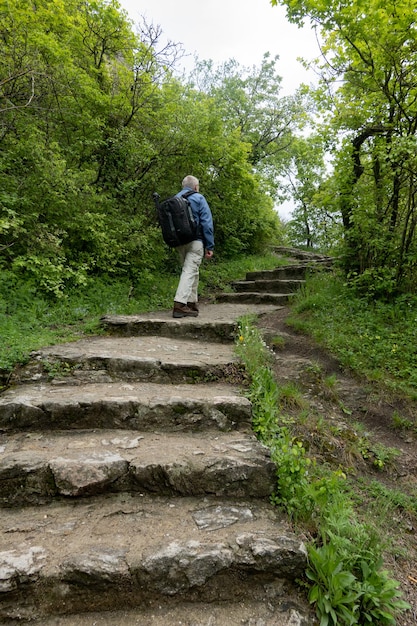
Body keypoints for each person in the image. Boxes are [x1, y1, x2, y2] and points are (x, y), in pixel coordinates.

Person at [173, 175, 214, 318]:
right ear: (195, 186)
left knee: (192, 270)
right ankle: (179, 304)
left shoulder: (175, 199)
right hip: (195, 241)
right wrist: (210, 246)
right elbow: (206, 223)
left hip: (179, 242)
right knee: (189, 271)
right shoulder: (199, 198)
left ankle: (191, 303)